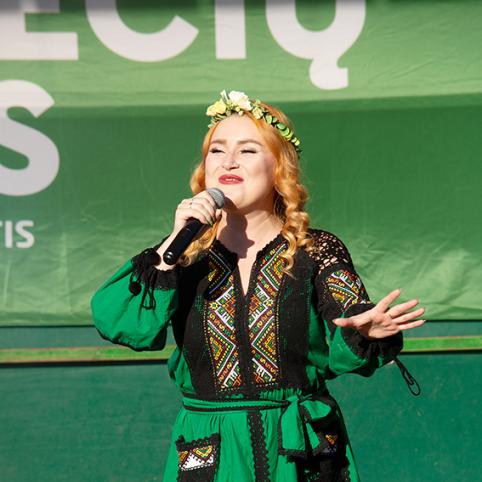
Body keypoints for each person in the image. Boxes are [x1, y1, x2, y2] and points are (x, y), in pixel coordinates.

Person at [90, 90, 426, 482]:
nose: (229, 161)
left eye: (247, 150)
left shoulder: (316, 250)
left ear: (279, 168)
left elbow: (349, 318)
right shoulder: (183, 257)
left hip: (299, 450)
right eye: (217, 150)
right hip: (212, 450)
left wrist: (363, 331)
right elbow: (125, 323)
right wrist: (171, 247)